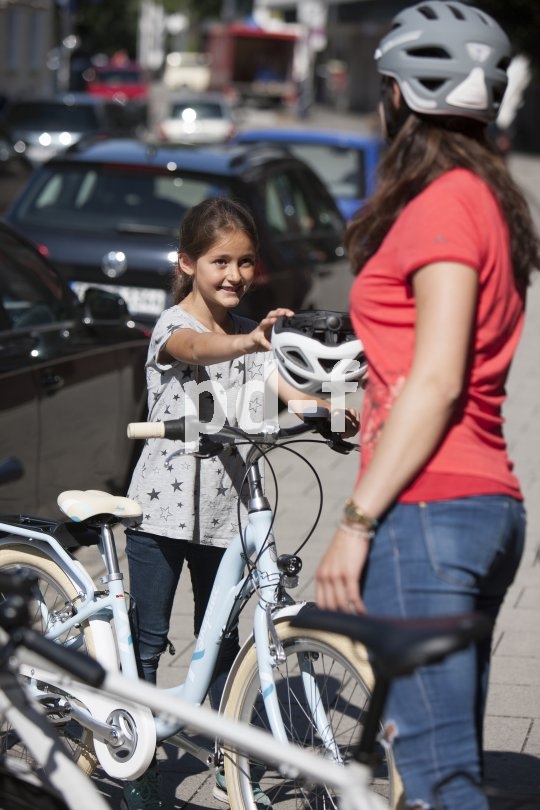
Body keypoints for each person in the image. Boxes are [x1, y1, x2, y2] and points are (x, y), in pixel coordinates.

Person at [314, 3, 540, 810]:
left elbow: (440, 378)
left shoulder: (446, 202)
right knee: (444, 772)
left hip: (429, 509)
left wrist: (356, 520)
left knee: (442, 783)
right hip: (482, 505)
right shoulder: (490, 198)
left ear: (402, 97)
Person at [122, 197, 360, 810]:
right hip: (159, 515)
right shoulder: (174, 327)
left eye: (245, 262)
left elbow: (280, 393)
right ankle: (137, 764)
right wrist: (252, 341)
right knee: (147, 642)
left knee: (225, 644)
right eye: (219, 261)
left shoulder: (249, 332)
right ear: (187, 263)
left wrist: (328, 409)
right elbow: (196, 351)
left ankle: (234, 766)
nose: (234, 275)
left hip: (229, 517)